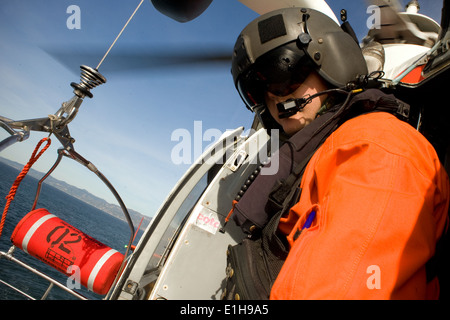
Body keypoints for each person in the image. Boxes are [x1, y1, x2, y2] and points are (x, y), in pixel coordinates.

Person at [227, 7, 449, 299]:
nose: (275, 98)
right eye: (258, 91)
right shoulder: (319, 154)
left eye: (281, 74)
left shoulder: (374, 146)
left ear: (330, 60)